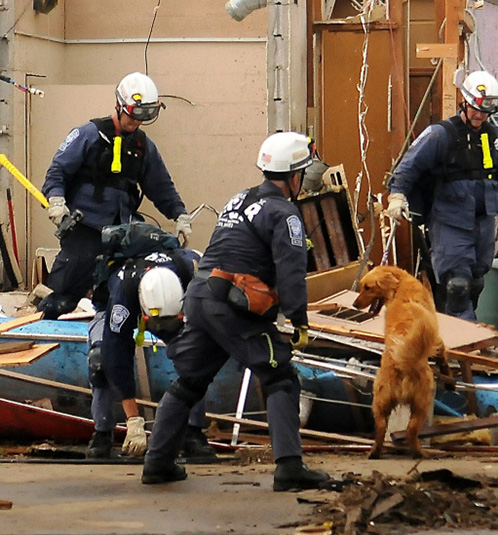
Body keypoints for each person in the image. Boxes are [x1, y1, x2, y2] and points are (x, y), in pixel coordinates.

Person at [142, 132, 329, 491]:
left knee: (190, 382)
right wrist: (299, 318)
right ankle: (290, 468)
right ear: (294, 177)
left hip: (200, 296)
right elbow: (291, 271)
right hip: (234, 305)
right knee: (280, 377)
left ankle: (158, 463)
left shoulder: (239, 199)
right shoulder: (285, 213)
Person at [38, 72, 192, 320]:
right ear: (120, 105)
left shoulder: (143, 146)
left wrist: (179, 214)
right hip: (85, 229)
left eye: (144, 115)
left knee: (116, 297)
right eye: (133, 114)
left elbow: (161, 186)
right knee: (63, 296)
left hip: (122, 232)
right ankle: (39, 330)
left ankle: (107, 346)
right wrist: (56, 201)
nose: (137, 122)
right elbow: (57, 172)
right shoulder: (88, 134)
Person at [385, 70, 498, 321]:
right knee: (457, 286)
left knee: (476, 283)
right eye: (475, 109)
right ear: (464, 102)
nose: (479, 115)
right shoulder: (439, 135)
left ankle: (451, 335)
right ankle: (465, 346)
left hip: (483, 222)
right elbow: (408, 167)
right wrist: (397, 195)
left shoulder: (496, 137)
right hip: (450, 222)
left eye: (485, 111)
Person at [85, 237, 215, 460]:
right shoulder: (122, 289)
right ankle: (102, 433)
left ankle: (193, 432)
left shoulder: (192, 270)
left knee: (197, 356)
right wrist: (134, 420)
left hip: (173, 310)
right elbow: (116, 355)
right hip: (114, 305)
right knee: (99, 360)